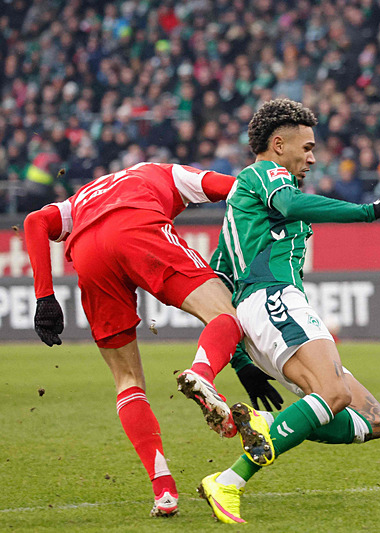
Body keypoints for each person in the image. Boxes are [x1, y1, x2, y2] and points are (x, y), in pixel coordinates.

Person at [22, 162, 279, 517]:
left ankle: (164, 491)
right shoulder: (163, 172)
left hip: (88, 251)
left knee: (127, 380)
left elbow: (34, 221)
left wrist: (44, 296)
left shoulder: (80, 198)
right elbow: (239, 188)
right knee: (226, 314)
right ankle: (202, 374)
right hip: (140, 229)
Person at [197, 98, 380, 524]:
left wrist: (243, 362)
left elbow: (220, 281)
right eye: (307, 148)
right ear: (278, 145)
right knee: (333, 395)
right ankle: (229, 481)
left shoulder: (240, 212)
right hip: (275, 300)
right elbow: (293, 206)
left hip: (264, 313)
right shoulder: (265, 174)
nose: (312, 158)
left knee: (372, 419)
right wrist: (370, 211)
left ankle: (265, 424)